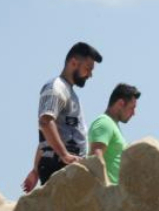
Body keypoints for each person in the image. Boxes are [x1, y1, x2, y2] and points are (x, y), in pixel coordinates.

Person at [22, 42, 103, 193]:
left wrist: (35, 171)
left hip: (64, 165)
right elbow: (45, 122)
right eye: (88, 69)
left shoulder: (69, 92)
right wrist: (64, 155)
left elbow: (47, 135)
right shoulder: (56, 87)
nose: (90, 75)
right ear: (73, 63)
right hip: (59, 166)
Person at [87, 83, 140, 185]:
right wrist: (107, 188)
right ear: (120, 103)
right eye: (132, 108)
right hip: (107, 192)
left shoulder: (112, 125)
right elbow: (95, 157)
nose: (134, 113)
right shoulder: (104, 122)